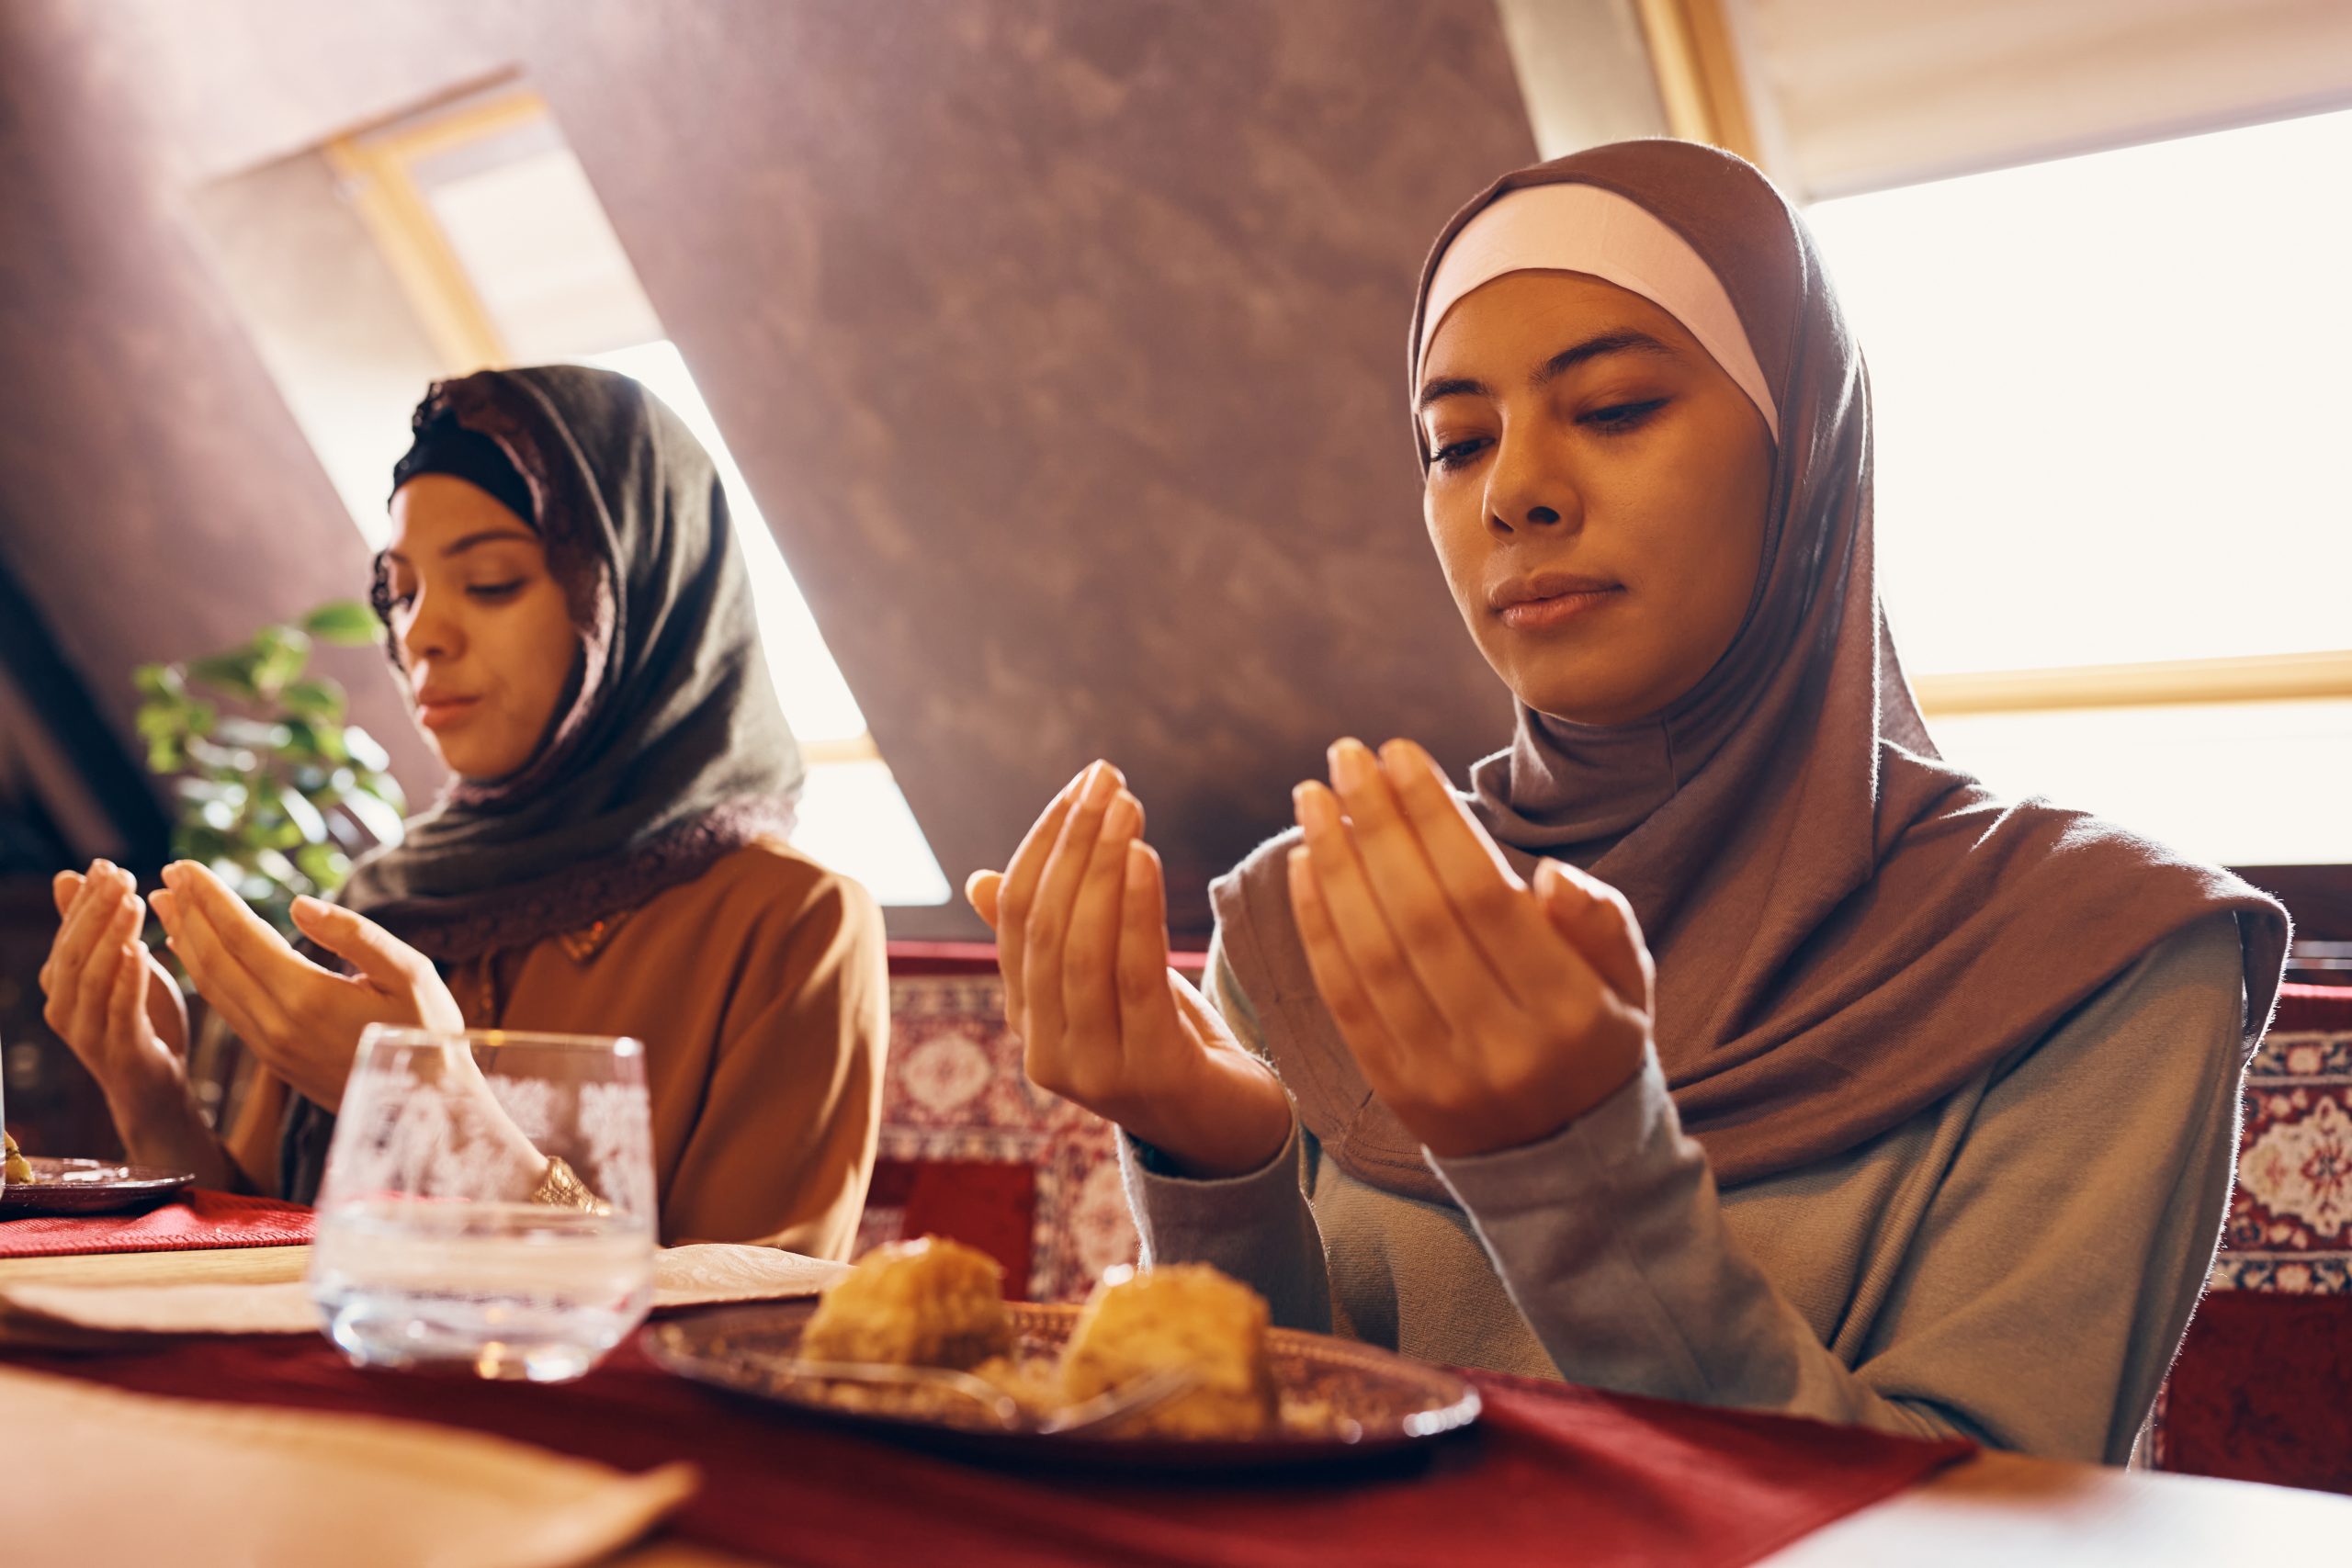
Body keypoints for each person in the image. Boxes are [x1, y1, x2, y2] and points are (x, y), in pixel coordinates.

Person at [967, 141, 2289, 1462]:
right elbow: (1269, 1462)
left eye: (1611, 409)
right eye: (1455, 440)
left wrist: (1581, 1177)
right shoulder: (1321, 910)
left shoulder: (2092, 952)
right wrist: (1215, 1159)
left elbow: (1975, 1542)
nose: (1513, 491)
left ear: (1804, 453)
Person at [40, 367, 887, 1256]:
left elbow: (750, 1322)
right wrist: (147, 1092)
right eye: (402, 593)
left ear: (633, 599)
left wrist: (448, 1121)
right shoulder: (382, 904)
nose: (423, 633)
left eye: (487, 584)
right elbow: (262, 1251)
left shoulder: (793, 926)